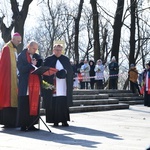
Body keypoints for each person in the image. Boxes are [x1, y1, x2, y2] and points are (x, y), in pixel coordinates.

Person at [43, 44, 73, 127]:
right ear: (53, 50)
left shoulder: (65, 59)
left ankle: (64, 120)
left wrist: (65, 72)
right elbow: (44, 71)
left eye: (59, 50)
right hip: (53, 84)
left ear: (62, 50)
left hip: (63, 85)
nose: (58, 51)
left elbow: (70, 71)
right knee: (53, 101)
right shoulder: (48, 60)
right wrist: (53, 74)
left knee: (63, 101)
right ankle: (54, 120)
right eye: (56, 50)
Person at [17, 41, 42, 131]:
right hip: (25, 83)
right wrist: (31, 65)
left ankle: (32, 124)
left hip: (35, 83)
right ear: (28, 46)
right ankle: (23, 125)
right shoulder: (21, 56)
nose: (35, 50)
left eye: (36, 49)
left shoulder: (37, 56)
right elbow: (21, 69)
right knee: (24, 104)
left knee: (33, 103)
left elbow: (40, 66)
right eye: (33, 48)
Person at [0, 32, 22, 128]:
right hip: (7, 79)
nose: (19, 42)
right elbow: (4, 65)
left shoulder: (14, 49)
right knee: (7, 99)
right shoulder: (6, 48)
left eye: (20, 41)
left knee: (13, 99)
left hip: (14, 77)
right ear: (13, 39)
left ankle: (12, 121)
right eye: (18, 41)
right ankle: (7, 122)